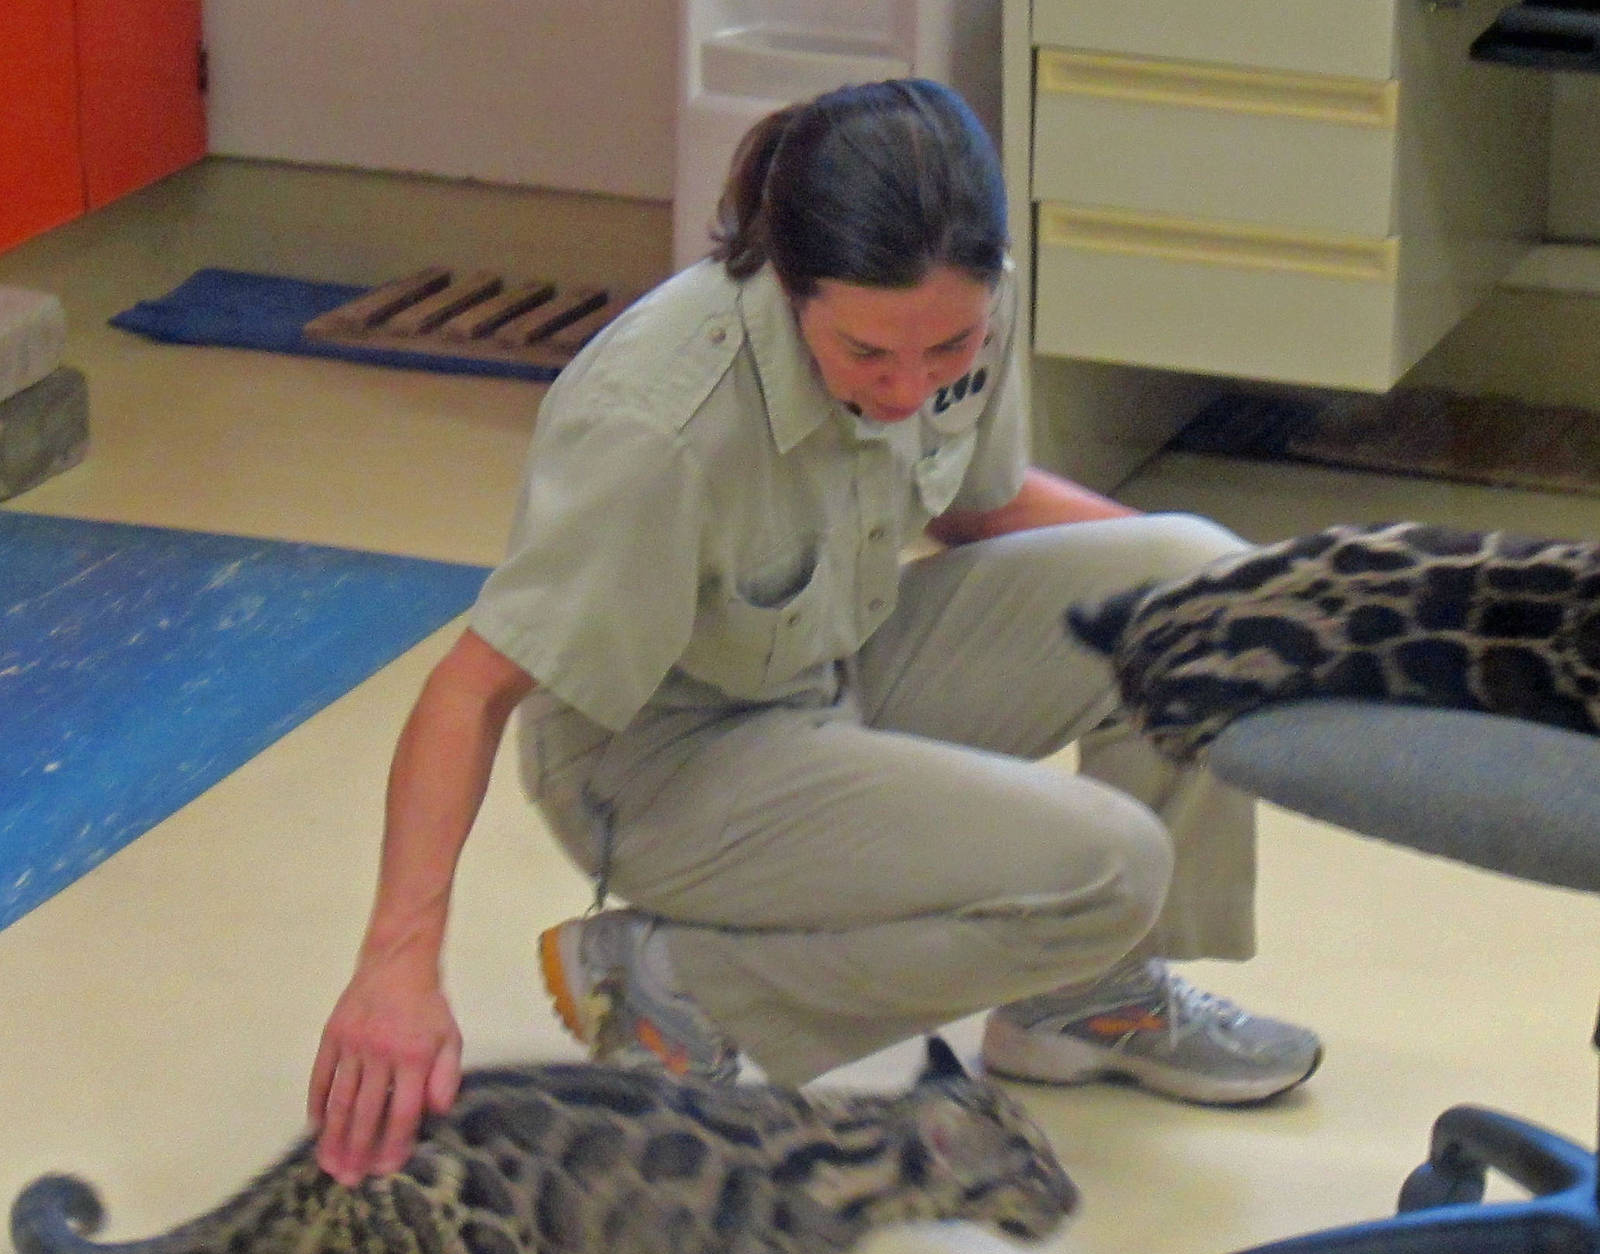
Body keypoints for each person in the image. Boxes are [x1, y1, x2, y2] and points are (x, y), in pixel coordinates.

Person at [308, 78, 1321, 1187]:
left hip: (828, 663)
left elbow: (972, 502)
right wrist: (396, 969)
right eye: (868, 357)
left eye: (945, 351)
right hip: (658, 767)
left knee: (1216, 597)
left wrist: (1272, 600)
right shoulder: (659, 421)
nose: (908, 387)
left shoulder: (954, 305)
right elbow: (470, 690)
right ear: (789, 291)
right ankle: (676, 983)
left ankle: (1089, 1001)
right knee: (1107, 866)